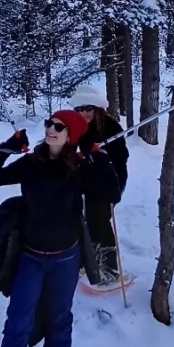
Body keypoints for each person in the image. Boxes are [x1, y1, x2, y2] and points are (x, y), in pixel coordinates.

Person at [0, 110, 122, 347]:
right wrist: (5, 150)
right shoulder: (32, 163)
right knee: (17, 324)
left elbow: (112, 193)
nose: (50, 129)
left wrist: (98, 157)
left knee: (60, 322)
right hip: (30, 258)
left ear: (70, 134)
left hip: (65, 260)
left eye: (58, 126)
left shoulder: (80, 167)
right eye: (49, 124)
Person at [69, 84, 129, 283]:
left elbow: (122, 156)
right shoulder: (74, 127)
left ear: (97, 108)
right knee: (80, 220)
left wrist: (101, 155)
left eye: (88, 108)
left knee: (98, 219)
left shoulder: (111, 127)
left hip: (108, 181)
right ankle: (87, 259)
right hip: (83, 181)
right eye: (80, 109)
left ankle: (109, 267)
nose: (84, 113)